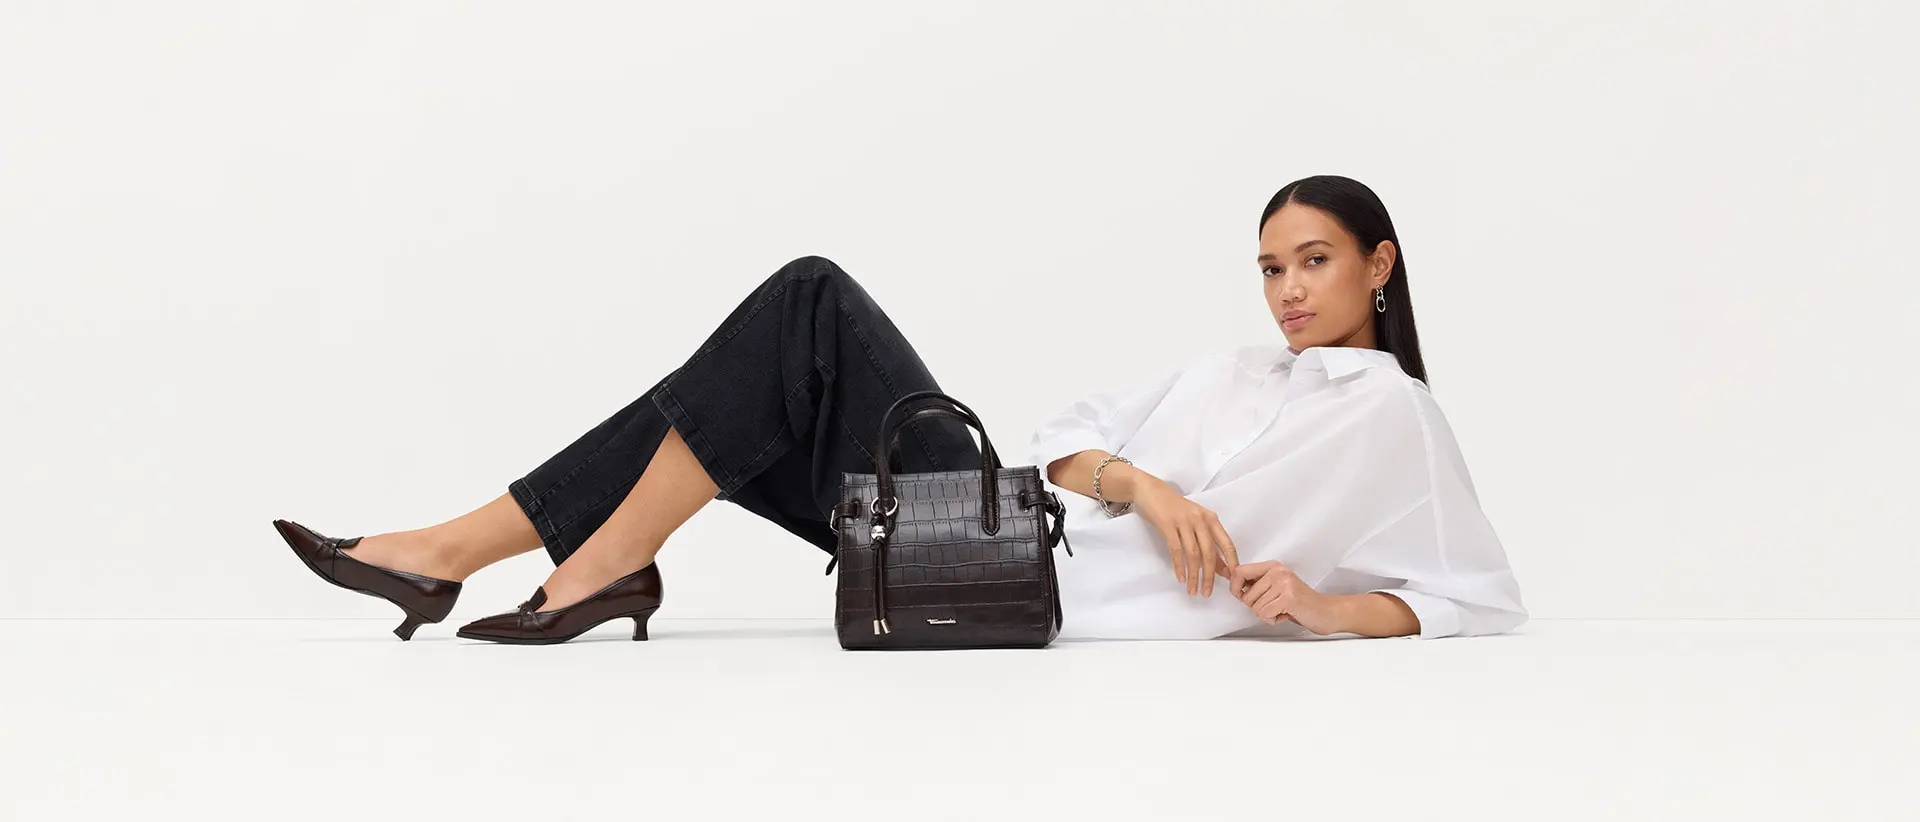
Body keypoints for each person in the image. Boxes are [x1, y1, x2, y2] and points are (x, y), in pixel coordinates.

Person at [272, 174, 1525, 645]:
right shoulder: (1234, 372)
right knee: (739, 383)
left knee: (802, 308)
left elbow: (1470, 596)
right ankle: (545, 560)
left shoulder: (1396, 421)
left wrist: (1322, 608)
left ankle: (508, 557)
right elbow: (1060, 440)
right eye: (1271, 267)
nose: (1289, 290)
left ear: (1380, 264)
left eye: (1314, 262)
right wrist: (1145, 485)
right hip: (992, 525)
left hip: (1020, 587)